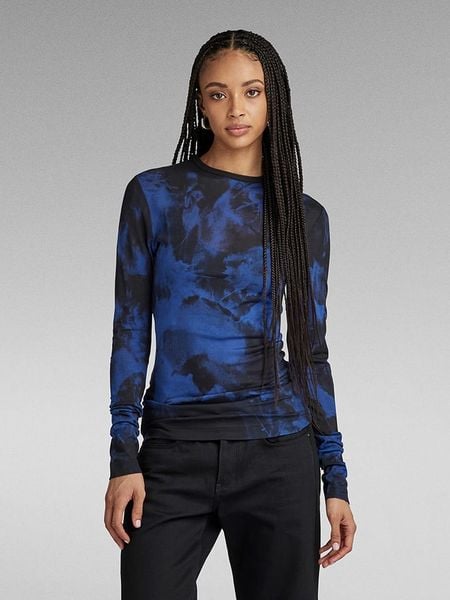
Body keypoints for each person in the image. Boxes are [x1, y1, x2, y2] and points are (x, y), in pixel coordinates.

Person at [104, 28, 357, 600]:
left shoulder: (303, 217)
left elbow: (311, 351)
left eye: (252, 91)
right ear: (200, 102)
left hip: (278, 454)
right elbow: (129, 331)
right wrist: (123, 456)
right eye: (218, 94)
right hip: (173, 452)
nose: (236, 108)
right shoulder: (154, 196)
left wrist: (335, 476)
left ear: (274, 100)